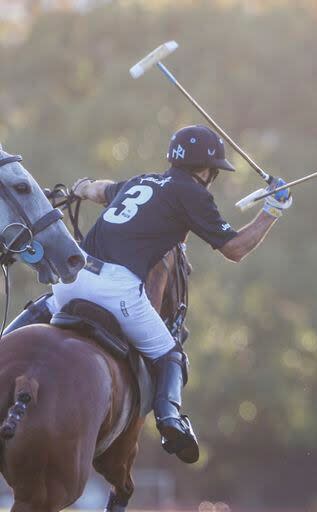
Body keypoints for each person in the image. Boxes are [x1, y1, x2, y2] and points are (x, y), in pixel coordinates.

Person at [4, 124, 293, 461]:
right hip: (117, 291)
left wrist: (80, 188)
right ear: (207, 170)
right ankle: (171, 420)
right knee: (170, 354)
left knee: (42, 307)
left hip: (72, 279)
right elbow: (235, 249)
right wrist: (272, 211)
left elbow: (102, 190)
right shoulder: (193, 194)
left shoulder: (141, 182)